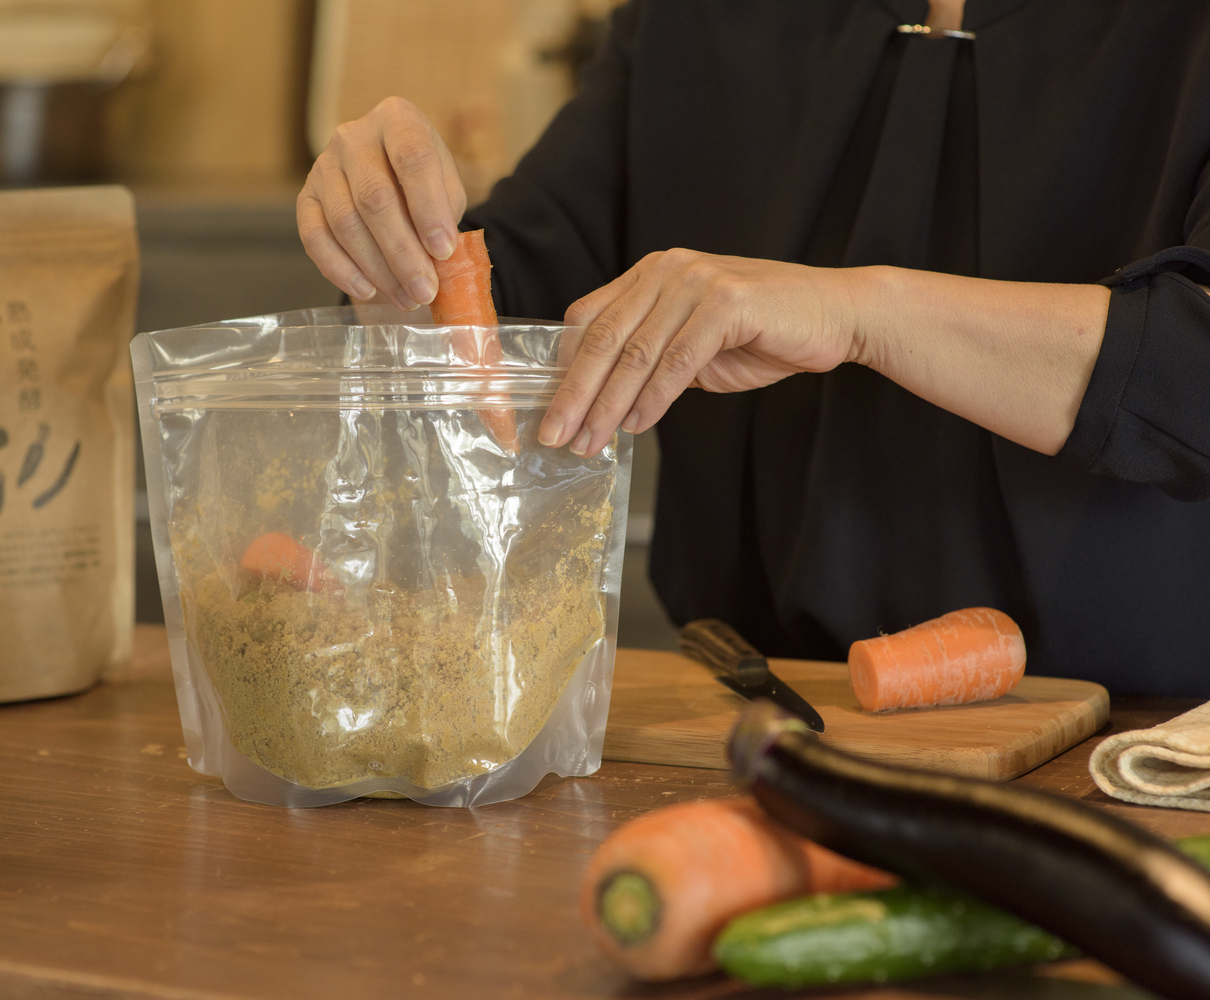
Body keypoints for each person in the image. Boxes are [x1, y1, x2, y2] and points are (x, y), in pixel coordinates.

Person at [296, 0, 1210, 696]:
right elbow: (500, 326)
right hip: (760, 714)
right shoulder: (692, 20)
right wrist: (391, 251)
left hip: (1150, 750)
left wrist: (861, 314)